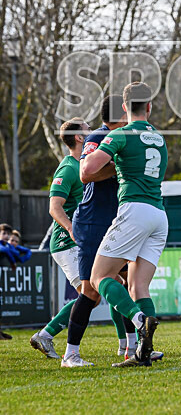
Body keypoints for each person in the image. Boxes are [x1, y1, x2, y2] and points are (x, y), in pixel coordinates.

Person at [84, 82, 169, 367]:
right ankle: (143, 353)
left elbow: (87, 170)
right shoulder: (158, 137)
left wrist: (111, 160)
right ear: (149, 106)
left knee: (99, 278)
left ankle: (139, 320)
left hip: (134, 210)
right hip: (159, 215)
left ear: (124, 107)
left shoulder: (120, 134)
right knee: (138, 287)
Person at [62, 94, 141, 367]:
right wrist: (118, 166)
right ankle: (70, 353)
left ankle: (133, 349)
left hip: (116, 221)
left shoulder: (126, 137)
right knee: (91, 291)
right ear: (121, 113)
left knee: (128, 283)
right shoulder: (98, 135)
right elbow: (87, 174)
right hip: (94, 221)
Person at [30, 118, 89, 361]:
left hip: (80, 241)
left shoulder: (84, 164)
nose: (92, 131)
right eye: (88, 128)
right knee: (89, 294)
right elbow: (54, 207)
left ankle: (125, 346)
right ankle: (46, 335)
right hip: (66, 242)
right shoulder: (68, 168)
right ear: (79, 138)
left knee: (95, 292)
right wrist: (71, 229)